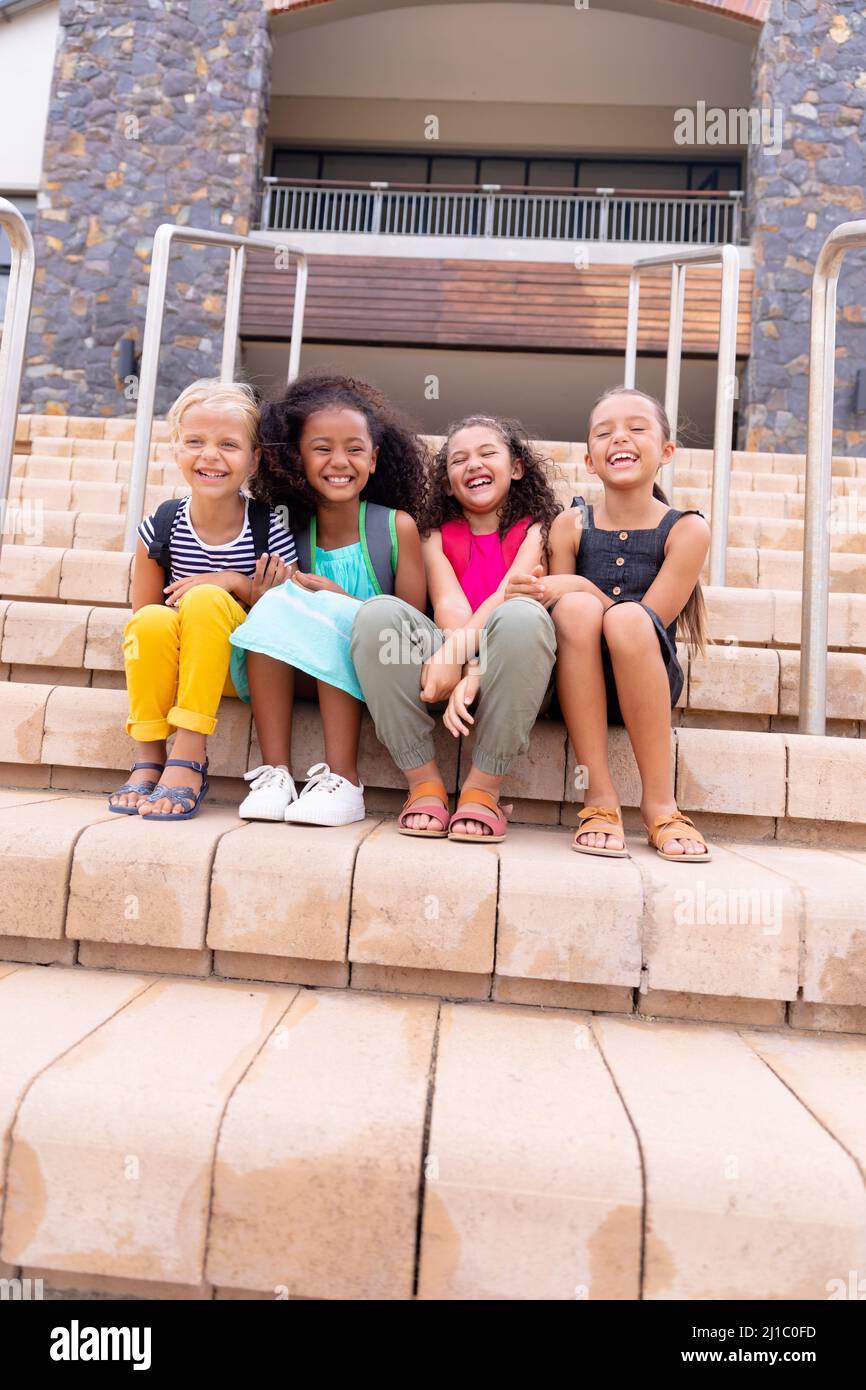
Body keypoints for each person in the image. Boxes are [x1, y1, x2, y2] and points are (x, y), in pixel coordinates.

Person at [513, 385, 711, 861]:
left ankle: (661, 804)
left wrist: (579, 587)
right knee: (576, 611)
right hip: (579, 686)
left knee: (623, 619)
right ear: (589, 460)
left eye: (636, 429)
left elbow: (650, 623)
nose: (619, 438)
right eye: (604, 433)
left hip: (644, 679)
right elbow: (564, 610)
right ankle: (599, 797)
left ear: (665, 452)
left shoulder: (686, 529)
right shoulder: (570, 524)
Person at [231, 371, 428, 827]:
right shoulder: (287, 532)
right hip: (301, 674)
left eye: (354, 449)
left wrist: (346, 606)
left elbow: (410, 625)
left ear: (374, 459)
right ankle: (276, 773)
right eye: (322, 448)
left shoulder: (396, 528)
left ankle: (345, 779)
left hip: (382, 673)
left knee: (326, 611)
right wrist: (259, 598)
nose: (339, 461)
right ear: (297, 459)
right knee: (273, 611)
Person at [351, 414, 559, 842]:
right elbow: (448, 603)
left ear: (516, 467)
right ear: (446, 483)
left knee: (522, 614)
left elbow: (508, 595)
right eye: (459, 460)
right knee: (377, 615)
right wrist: (459, 663)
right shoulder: (433, 535)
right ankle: (424, 782)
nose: (474, 465)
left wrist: (471, 666)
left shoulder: (537, 528)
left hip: (514, 670)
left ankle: (482, 789)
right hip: (449, 659)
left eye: (488, 454)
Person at [109, 379, 294, 820]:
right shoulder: (162, 524)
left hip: (239, 669)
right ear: (176, 450)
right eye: (195, 441)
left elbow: (287, 611)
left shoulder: (268, 527)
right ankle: (150, 756)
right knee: (152, 621)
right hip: (180, 665)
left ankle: (190, 755)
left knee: (207, 599)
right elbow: (144, 620)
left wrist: (233, 580)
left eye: (228, 444)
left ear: (253, 460)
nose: (210, 455)